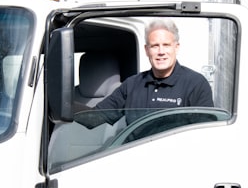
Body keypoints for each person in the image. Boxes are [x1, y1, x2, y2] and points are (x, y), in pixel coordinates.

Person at [85, 19, 214, 127]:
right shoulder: (131, 85)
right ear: (147, 50)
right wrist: (66, 103)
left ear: (176, 47)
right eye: (155, 46)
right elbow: (94, 118)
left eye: (166, 45)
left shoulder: (196, 84)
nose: (161, 51)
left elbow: (205, 134)